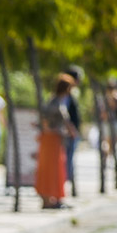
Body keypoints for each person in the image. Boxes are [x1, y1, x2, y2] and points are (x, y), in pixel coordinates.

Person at [35, 73, 78, 210]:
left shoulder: (55, 100)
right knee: (51, 169)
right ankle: (48, 199)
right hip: (51, 139)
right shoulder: (55, 102)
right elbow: (48, 120)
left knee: (56, 168)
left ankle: (54, 198)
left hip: (54, 139)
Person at [63, 66, 83, 197]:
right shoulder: (65, 97)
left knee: (69, 162)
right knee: (66, 163)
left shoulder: (72, 95)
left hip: (72, 133)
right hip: (68, 134)